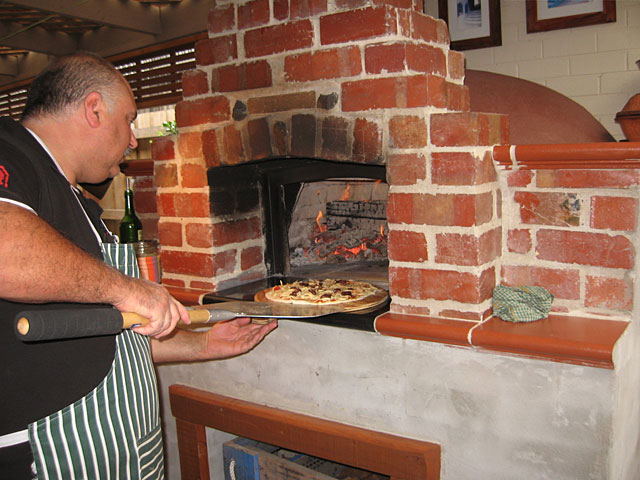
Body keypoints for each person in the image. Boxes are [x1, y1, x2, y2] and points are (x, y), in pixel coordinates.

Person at [0, 52, 277, 479]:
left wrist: (202, 344)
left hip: (118, 452)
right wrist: (129, 289)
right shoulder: (11, 150)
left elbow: (103, 337)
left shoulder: (75, 198)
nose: (133, 139)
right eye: (129, 119)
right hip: (49, 452)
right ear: (94, 109)